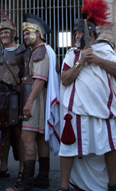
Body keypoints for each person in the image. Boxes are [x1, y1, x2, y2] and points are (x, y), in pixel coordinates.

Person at [58, 1, 116, 191]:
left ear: (91, 34)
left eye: (79, 33)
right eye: (75, 33)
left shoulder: (106, 51)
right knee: (68, 148)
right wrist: (81, 62)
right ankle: (63, 187)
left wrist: (96, 59)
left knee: (109, 146)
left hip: (103, 109)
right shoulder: (71, 55)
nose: (76, 36)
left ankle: (113, 184)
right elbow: (65, 80)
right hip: (77, 110)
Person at [7, 13, 60, 191]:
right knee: (40, 139)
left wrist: (28, 102)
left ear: (37, 33)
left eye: (27, 33)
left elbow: (40, 79)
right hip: (37, 100)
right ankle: (43, 178)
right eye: (24, 33)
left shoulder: (40, 51)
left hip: (35, 101)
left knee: (26, 137)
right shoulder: (37, 50)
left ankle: (26, 182)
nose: (24, 37)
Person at [0, 13, 31, 181]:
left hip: (16, 97)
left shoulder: (24, 52)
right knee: (3, 134)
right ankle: (3, 168)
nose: (3, 35)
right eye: (1, 32)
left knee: (19, 133)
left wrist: (26, 99)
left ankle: (22, 170)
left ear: (13, 33)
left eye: (6, 32)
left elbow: (28, 77)